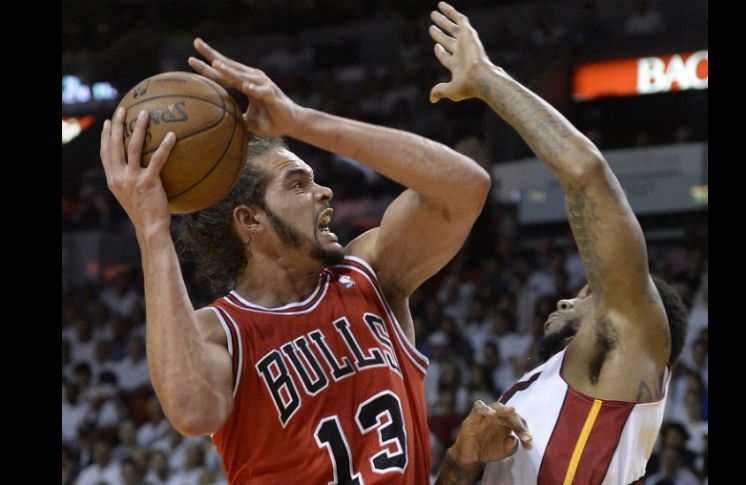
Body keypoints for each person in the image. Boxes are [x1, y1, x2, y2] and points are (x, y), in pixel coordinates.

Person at [99, 33, 492, 483]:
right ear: (251, 220)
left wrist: (302, 121)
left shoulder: (371, 273)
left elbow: (465, 189)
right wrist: (152, 230)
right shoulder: (221, 331)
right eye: (298, 184)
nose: (324, 192)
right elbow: (192, 410)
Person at [426, 3, 688, 484]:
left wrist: (487, 79)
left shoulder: (629, 346)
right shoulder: (525, 394)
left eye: (589, 296)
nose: (567, 297)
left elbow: (587, 177)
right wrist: (461, 461)